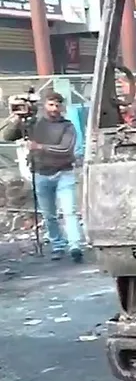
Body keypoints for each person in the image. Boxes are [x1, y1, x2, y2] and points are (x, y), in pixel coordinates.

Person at [0, 92, 84, 262]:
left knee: (69, 212)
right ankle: (57, 245)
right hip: (40, 173)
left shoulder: (67, 126)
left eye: (57, 105)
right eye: (51, 104)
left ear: (62, 107)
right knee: (49, 214)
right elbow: (7, 136)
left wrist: (39, 147)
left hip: (63, 172)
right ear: (45, 105)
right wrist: (16, 118)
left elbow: (66, 149)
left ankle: (75, 245)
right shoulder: (34, 123)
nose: (54, 108)